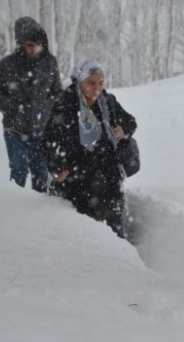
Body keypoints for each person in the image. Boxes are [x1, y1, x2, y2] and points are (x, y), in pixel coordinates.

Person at [40, 60, 137, 238]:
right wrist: (57, 167)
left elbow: (130, 121)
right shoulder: (64, 104)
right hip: (78, 179)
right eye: (91, 83)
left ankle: (122, 261)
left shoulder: (107, 102)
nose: (97, 88)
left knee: (116, 231)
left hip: (109, 177)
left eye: (101, 83)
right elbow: (48, 141)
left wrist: (123, 128)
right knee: (85, 235)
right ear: (79, 81)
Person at [0, 16, 62, 192]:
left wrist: (46, 108)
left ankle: (39, 216)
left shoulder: (50, 64)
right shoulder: (6, 65)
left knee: (41, 176)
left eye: (37, 44)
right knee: (18, 171)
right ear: (20, 43)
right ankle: (14, 211)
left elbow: (57, 93)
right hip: (14, 130)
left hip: (41, 131)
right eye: (29, 44)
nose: (33, 49)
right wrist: (13, 106)